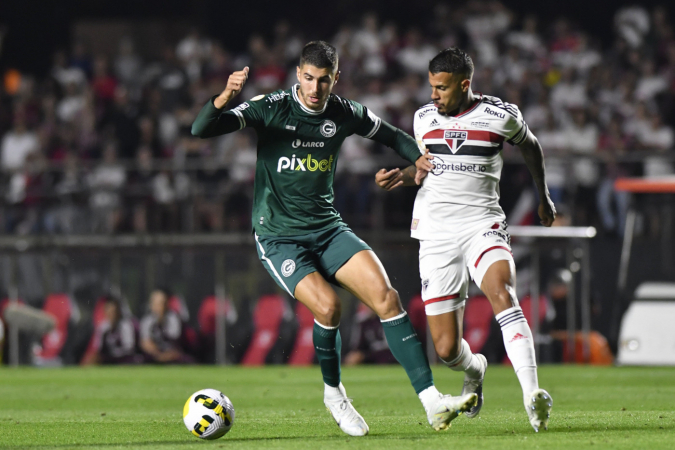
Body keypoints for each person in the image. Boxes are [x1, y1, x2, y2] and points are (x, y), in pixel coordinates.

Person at [192, 41, 477, 436]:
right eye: (308, 78)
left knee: (387, 298)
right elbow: (201, 128)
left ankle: (432, 402)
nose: (315, 87)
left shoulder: (344, 112)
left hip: (327, 228)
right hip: (279, 237)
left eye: (323, 80)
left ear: (335, 79)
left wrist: (418, 157)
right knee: (328, 309)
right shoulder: (270, 106)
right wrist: (225, 96)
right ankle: (335, 394)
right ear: (298, 75)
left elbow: (392, 135)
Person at [375, 47, 556, 432]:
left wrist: (543, 196)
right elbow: (426, 171)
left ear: (464, 84)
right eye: (430, 87)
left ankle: (532, 395)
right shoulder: (423, 118)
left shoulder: (499, 116)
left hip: (482, 224)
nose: (432, 95)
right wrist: (400, 177)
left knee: (502, 292)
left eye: (440, 88)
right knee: (445, 349)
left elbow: (532, 147)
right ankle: (475, 368)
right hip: (436, 234)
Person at [139, 289, 193, 364]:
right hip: (154, 356)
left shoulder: (174, 319)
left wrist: (166, 356)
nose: (158, 307)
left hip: (172, 355)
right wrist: (158, 355)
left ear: (167, 304)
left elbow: (175, 343)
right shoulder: (146, 321)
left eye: (161, 303)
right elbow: (145, 343)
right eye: (155, 304)